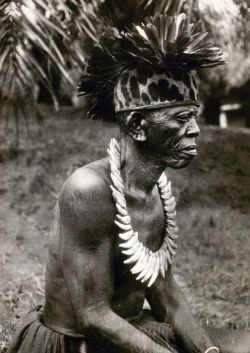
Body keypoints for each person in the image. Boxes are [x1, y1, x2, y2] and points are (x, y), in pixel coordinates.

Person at [7, 7, 250, 353]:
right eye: (180, 118)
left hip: (130, 329)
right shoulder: (87, 190)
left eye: (192, 117)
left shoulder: (157, 193)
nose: (195, 129)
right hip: (80, 344)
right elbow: (93, 316)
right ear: (137, 126)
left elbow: (164, 291)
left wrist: (207, 350)